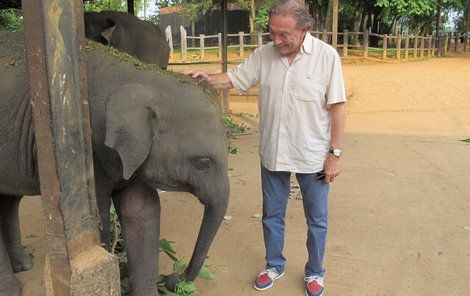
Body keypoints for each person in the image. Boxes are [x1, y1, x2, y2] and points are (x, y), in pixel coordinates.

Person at [184, 1, 346, 295]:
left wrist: (334, 155)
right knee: (272, 214)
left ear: (304, 29)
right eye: (272, 33)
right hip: (274, 150)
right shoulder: (264, 55)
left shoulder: (326, 57)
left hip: (313, 155)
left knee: (317, 219)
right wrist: (208, 78)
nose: (276, 40)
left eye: (284, 34)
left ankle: (315, 272)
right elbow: (233, 78)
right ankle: (274, 264)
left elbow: (337, 108)